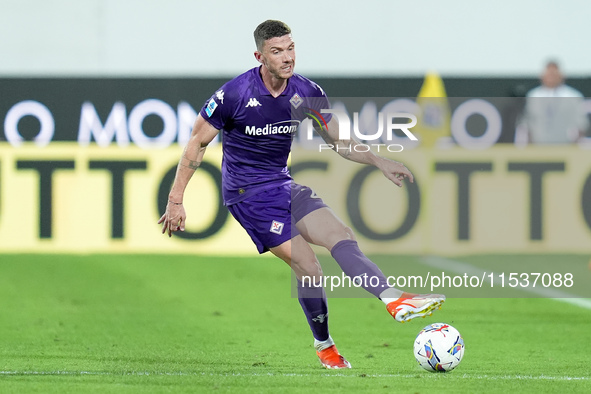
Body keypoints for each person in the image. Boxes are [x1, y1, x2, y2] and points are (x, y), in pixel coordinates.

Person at [158, 20, 445, 369]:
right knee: (309, 267)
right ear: (260, 56)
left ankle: (394, 300)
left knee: (341, 234)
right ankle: (325, 346)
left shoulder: (306, 92)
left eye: (290, 48)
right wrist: (176, 200)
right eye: (277, 51)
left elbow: (338, 141)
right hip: (249, 197)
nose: (287, 57)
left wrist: (377, 160)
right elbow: (196, 145)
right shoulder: (234, 95)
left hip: (282, 184)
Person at [519, 61, 589, 144]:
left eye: (554, 74)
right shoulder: (533, 96)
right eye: (549, 74)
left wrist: (575, 142)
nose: (551, 77)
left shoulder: (573, 96)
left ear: (561, 76)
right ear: (542, 76)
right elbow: (527, 122)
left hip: (565, 145)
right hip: (539, 144)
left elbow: (581, 123)